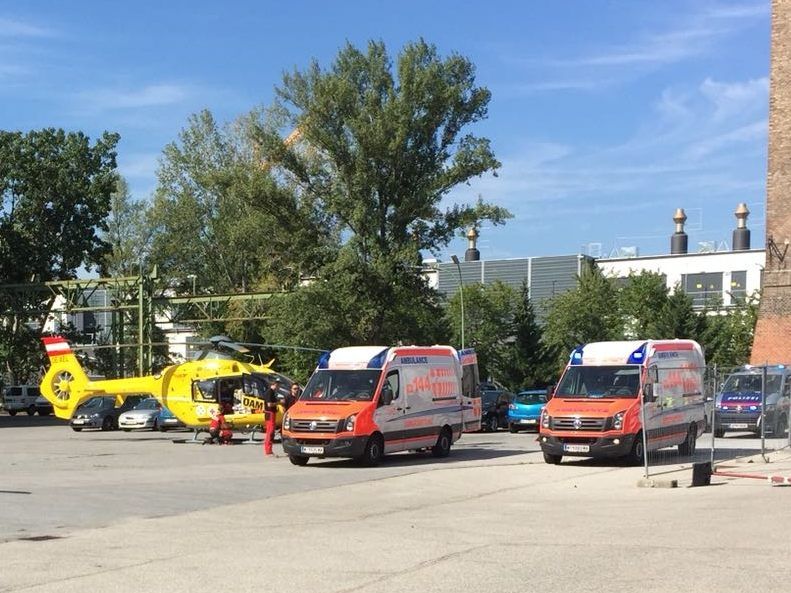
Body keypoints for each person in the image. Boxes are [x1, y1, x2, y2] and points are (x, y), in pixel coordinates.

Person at [263, 379, 280, 456]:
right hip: (270, 413)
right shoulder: (270, 392)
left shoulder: (271, 392)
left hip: (269, 413)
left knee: (269, 432)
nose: (278, 387)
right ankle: (268, 451)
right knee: (270, 432)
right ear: (274, 384)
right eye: (277, 385)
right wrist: (278, 403)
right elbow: (269, 404)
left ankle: (268, 450)